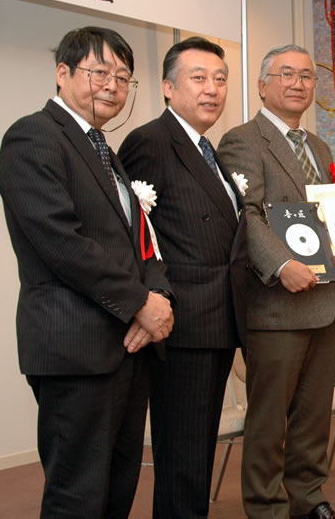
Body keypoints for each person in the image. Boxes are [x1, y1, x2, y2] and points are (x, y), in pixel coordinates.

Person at [0, 26, 174, 518]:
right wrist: (139, 303)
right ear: (63, 72)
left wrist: (159, 296)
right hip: (75, 346)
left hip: (127, 345)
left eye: (123, 77)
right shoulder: (33, 136)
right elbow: (61, 241)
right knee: (76, 493)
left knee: (117, 487)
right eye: (100, 72)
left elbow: (140, 240)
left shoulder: (103, 151)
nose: (113, 86)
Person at [217, 44, 335, 519]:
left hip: (324, 303)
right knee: (270, 418)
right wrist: (280, 264)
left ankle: (308, 498)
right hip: (275, 305)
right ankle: (266, 506)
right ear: (262, 86)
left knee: (314, 415)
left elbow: (329, 220)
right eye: (286, 74)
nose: (298, 83)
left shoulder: (319, 147)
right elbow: (245, 215)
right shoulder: (241, 141)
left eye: (307, 76)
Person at [119, 36, 246, 517]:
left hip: (217, 319)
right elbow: (133, 234)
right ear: (169, 87)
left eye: (220, 79)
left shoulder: (206, 148)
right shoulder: (151, 141)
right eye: (199, 78)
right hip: (182, 323)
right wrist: (149, 300)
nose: (212, 89)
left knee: (197, 451)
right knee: (183, 455)